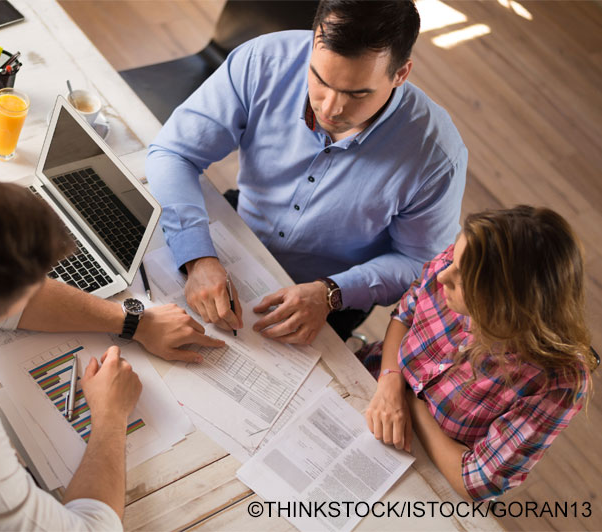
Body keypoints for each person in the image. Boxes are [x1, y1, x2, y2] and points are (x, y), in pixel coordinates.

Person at [0, 178, 223, 530]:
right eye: (34, 282)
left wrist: (134, 322)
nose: (44, 286)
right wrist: (111, 418)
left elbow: (21, 298)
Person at [146, 0, 467, 344]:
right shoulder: (264, 62)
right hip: (235, 237)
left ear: (401, 73)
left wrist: (331, 293)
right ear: (314, 41)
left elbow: (419, 261)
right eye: (320, 79)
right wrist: (198, 257)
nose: (330, 108)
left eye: (357, 94)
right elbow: (174, 151)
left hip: (330, 294)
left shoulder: (437, 157)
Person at [360, 205, 595, 500]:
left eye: (461, 279)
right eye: (453, 261)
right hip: (367, 381)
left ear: (505, 304)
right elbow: (403, 316)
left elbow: (476, 480)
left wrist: (408, 400)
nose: (443, 276)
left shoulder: (556, 383)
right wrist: (390, 379)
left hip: (420, 476)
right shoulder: (462, 258)